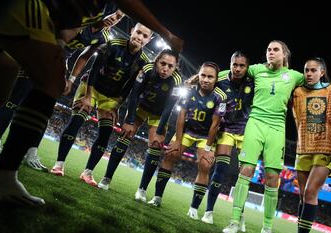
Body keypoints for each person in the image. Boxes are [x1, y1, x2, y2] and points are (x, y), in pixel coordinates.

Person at [0, 0, 183, 206]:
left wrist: (60, 50)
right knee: (50, 83)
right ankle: (6, 173)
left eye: (118, 18)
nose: (114, 19)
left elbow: (69, 34)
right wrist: (166, 33)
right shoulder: (108, 39)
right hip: (26, 9)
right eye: (138, 32)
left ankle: (6, 172)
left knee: (0, 86)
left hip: (35, 24)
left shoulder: (99, 24)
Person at [50, 23, 153, 187]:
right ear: (131, 30)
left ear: (149, 40)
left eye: (145, 36)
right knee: (77, 121)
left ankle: (88, 172)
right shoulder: (113, 45)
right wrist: (88, 97)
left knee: (106, 133)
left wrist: (116, 106)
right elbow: (95, 68)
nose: (140, 37)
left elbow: (130, 87)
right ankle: (59, 164)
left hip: (111, 97)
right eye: (138, 32)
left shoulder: (143, 62)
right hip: (91, 87)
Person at [222, 40, 304, 233]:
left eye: (275, 50)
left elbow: (315, 82)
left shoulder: (294, 76)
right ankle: (235, 221)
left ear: (284, 54)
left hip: (277, 129)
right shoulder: (256, 70)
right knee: (246, 171)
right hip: (255, 123)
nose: (271, 52)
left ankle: (267, 227)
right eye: (268, 49)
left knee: (272, 176)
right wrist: (201, 76)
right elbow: (234, 71)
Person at [147, 62, 226, 218]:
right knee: (170, 154)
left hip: (205, 136)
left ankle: (194, 209)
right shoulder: (190, 91)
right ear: (199, 75)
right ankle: (157, 197)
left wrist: (209, 149)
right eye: (203, 75)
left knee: (205, 164)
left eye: (210, 77)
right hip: (187, 130)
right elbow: (181, 116)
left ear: (216, 79)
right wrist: (177, 140)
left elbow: (215, 125)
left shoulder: (220, 97)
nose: (206, 79)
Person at [96, 49, 181, 191]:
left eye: (170, 66)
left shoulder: (177, 80)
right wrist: (129, 121)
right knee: (125, 135)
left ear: (175, 67)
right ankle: (107, 178)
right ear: (156, 61)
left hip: (159, 114)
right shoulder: (147, 70)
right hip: (140, 106)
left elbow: (169, 108)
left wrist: (160, 131)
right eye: (163, 63)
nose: (165, 68)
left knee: (155, 146)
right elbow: (134, 95)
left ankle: (142, 190)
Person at [199, 51, 254, 226]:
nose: (237, 69)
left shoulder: (253, 82)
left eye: (242, 66)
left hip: (247, 131)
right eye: (235, 65)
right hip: (227, 130)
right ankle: (208, 212)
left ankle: (240, 216)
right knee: (220, 170)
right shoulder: (220, 82)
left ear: (247, 67)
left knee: (244, 177)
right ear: (230, 65)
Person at [291, 57, 331, 233]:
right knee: (303, 196)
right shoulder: (297, 92)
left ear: (322, 72)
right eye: (306, 70)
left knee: (311, 192)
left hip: (325, 148)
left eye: (313, 70)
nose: (309, 73)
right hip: (303, 147)